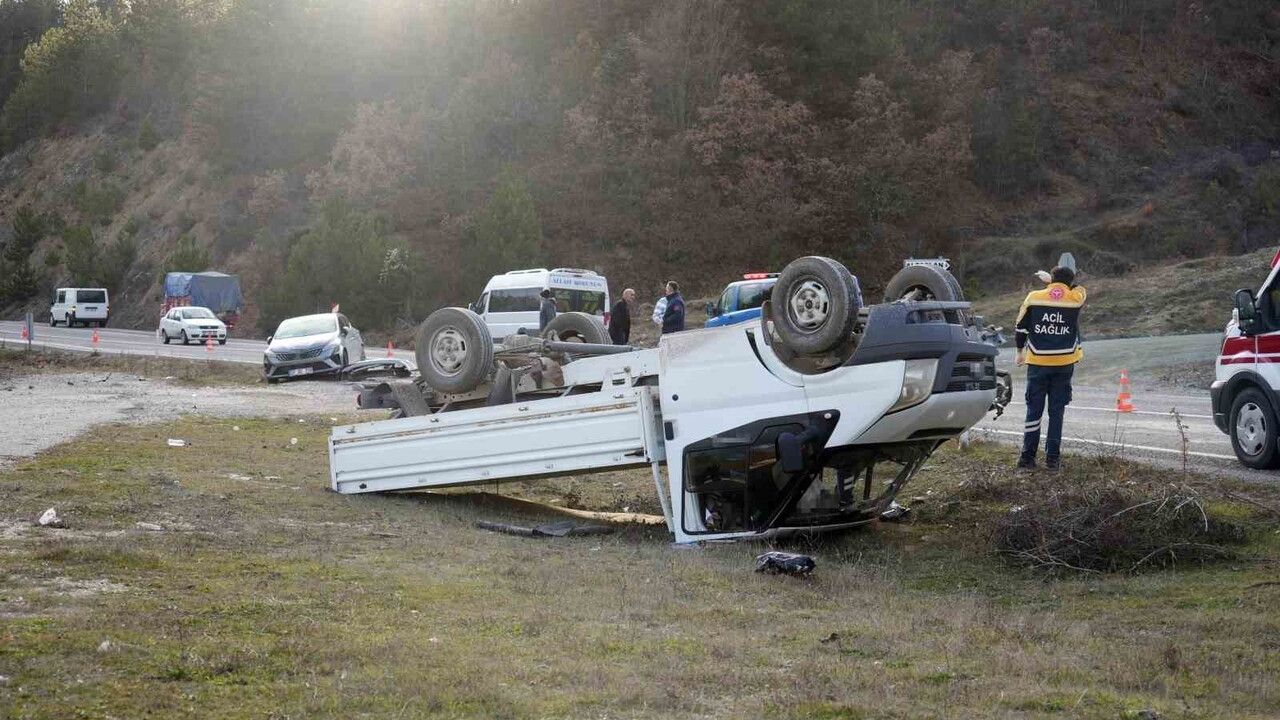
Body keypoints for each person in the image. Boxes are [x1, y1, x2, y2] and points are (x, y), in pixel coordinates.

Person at [1014, 266, 1087, 470]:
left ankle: (1027, 458)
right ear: (1069, 281)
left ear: (1051, 279)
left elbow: (1021, 327)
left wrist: (1019, 351)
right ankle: (1053, 459)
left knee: (1033, 411)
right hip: (1064, 363)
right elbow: (1078, 288)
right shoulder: (1076, 297)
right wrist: (1057, 284)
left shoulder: (1034, 297)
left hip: (1038, 363)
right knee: (1057, 413)